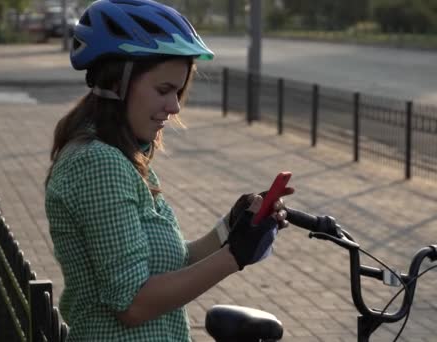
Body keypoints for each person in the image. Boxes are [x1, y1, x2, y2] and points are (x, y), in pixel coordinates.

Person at [44, 1, 292, 340]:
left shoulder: (125, 159)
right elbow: (133, 303)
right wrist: (234, 257)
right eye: (164, 90)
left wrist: (232, 227)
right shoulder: (97, 163)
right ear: (117, 84)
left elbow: (174, 261)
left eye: (178, 92)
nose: (174, 106)